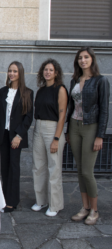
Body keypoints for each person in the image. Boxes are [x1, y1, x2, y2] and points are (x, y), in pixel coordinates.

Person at [67, 47, 110, 225]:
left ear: (92, 59)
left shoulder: (101, 81)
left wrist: (100, 136)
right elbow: (71, 107)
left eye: (86, 57)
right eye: (80, 58)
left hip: (91, 127)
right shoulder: (74, 80)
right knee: (79, 170)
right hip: (75, 126)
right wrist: (68, 130)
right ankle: (84, 207)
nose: (83, 60)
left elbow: (105, 110)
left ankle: (94, 209)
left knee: (87, 170)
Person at [0, 61, 33, 213]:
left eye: (15, 71)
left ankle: (12, 201)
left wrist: (19, 135)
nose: (12, 74)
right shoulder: (3, 91)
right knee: (5, 167)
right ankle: (4, 198)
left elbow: (28, 117)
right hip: (3, 134)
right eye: (10, 71)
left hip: (16, 136)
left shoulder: (27, 93)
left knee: (14, 168)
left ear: (20, 73)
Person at [32, 58, 68, 217]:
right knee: (38, 166)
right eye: (45, 69)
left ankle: (55, 205)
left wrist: (56, 138)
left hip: (53, 129)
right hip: (38, 128)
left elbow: (62, 116)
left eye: (51, 70)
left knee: (54, 168)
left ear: (56, 73)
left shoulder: (60, 89)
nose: (47, 72)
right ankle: (41, 200)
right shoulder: (40, 90)